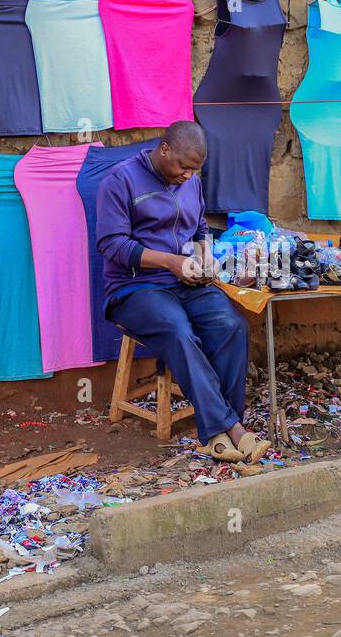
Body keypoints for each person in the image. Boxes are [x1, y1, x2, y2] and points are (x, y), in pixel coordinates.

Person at [96, 121, 271, 466]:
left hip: (186, 283)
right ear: (164, 149)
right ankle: (231, 430)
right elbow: (110, 244)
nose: (188, 176)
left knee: (231, 326)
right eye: (183, 167)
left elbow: (202, 228)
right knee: (178, 330)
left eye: (194, 170)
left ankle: (221, 431)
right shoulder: (120, 181)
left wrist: (203, 255)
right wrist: (171, 262)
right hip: (135, 288)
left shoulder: (191, 183)